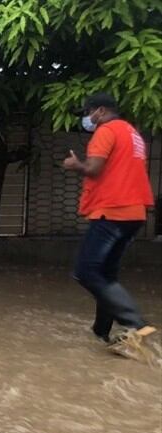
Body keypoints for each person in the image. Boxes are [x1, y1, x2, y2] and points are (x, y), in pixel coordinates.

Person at [63, 92, 156, 346]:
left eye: (87, 113)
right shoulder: (132, 134)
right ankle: (101, 333)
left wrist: (75, 164)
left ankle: (136, 324)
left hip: (113, 211)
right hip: (134, 212)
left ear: (100, 111)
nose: (87, 119)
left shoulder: (106, 131)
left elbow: (93, 169)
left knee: (86, 271)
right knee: (105, 274)